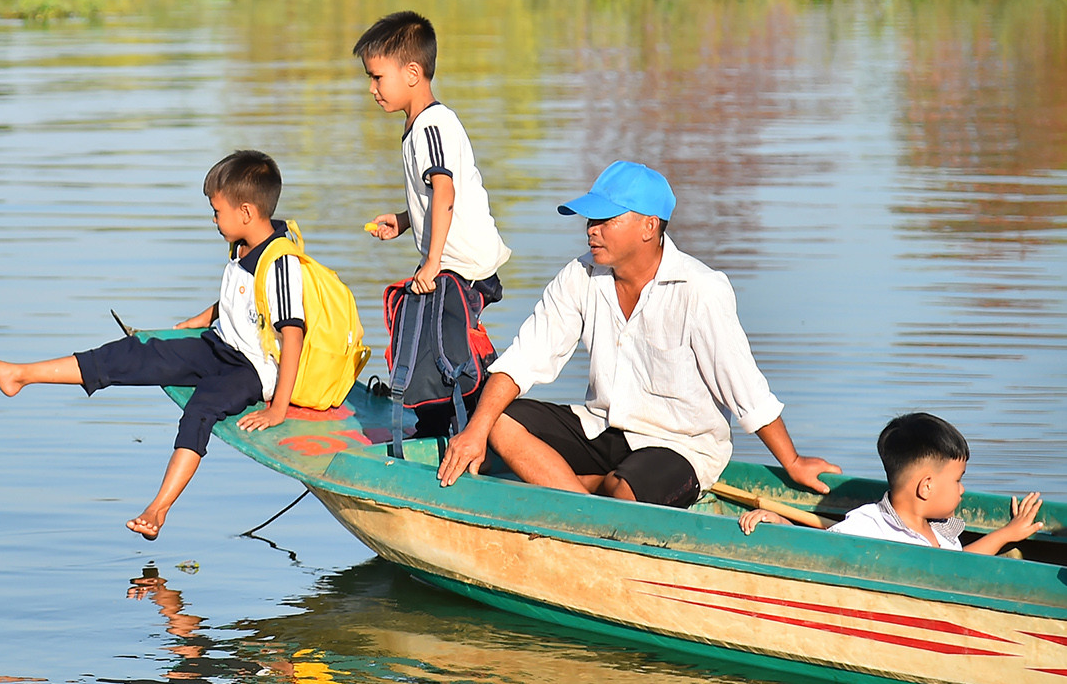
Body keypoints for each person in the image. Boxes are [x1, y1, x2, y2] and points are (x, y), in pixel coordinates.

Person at [437, 161, 841, 506]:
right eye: (591, 220)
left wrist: (792, 462)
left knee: (627, 494)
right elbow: (525, 359)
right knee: (498, 419)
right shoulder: (580, 275)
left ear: (649, 226)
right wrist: (475, 433)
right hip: (602, 426)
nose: (591, 230)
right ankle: (584, 510)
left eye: (606, 220)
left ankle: (587, 493)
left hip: (678, 445)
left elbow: (745, 390)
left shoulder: (701, 289)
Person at [0, 150, 309, 540]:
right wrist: (204, 317)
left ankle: (158, 508)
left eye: (217, 211)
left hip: (251, 369)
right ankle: (20, 375)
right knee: (137, 353)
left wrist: (279, 407)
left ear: (245, 212)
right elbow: (249, 297)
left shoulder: (283, 263)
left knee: (201, 410)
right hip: (218, 344)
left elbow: (292, 333)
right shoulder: (244, 244)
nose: (213, 219)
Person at [356, 10, 511, 435]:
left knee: (441, 351)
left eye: (376, 77)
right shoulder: (421, 125)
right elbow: (435, 195)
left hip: (460, 265)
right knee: (441, 346)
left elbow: (445, 190)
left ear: (411, 72)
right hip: (452, 261)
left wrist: (432, 263)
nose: (372, 89)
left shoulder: (430, 125)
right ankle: (458, 421)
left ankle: (472, 425)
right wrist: (407, 221)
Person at [739, 412, 1045, 554]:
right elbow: (821, 549)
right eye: (957, 480)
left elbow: (961, 564)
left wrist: (1008, 533)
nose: (962, 489)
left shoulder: (940, 531)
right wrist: (779, 522)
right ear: (925, 486)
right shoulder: (869, 525)